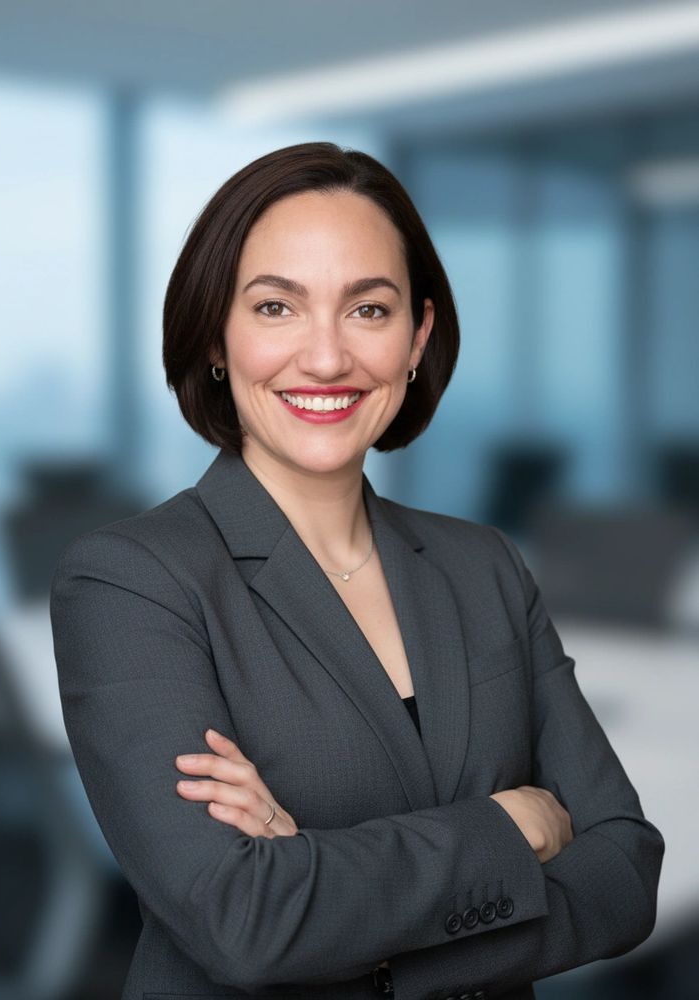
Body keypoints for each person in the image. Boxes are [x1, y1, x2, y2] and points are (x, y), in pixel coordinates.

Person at [50, 141, 664, 1000]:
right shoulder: (130, 582)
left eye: (368, 311)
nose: (328, 359)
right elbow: (244, 921)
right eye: (276, 307)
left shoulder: (483, 564)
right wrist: (506, 828)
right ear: (215, 339)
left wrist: (335, 900)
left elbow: (627, 868)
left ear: (418, 336)